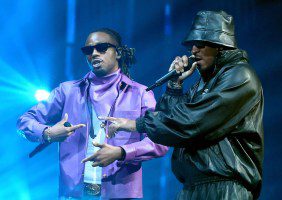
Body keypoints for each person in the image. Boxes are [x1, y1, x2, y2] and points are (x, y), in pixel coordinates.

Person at [101, 11, 264, 199]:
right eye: (191, 45)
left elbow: (191, 122)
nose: (193, 50)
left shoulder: (240, 76)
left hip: (224, 187)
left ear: (220, 46)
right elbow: (170, 130)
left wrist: (135, 124)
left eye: (200, 44)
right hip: (193, 187)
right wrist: (174, 86)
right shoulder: (202, 85)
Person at [17, 28, 168, 199]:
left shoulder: (140, 93)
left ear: (118, 53)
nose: (94, 53)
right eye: (88, 50)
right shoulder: (67, 91)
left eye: (102, 48)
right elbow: (24, 121)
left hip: (121, 194)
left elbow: (161, 140)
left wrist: (121, 152)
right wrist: (48, 133)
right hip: (73, 194)